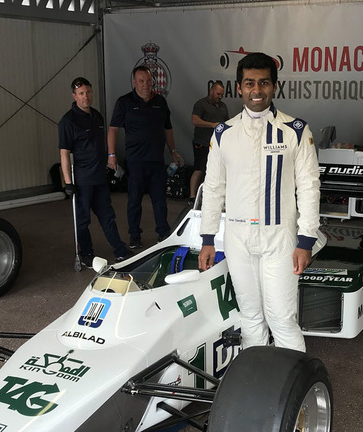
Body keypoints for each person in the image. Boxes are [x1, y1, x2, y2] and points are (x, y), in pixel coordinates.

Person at [198, 52, 320, 352]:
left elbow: (309, 187)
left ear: (274, 87)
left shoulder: (296, 131)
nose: (256, 90)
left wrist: (306, 240)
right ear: (238, 87)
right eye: (249, 83)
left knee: (281, 319)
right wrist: (207, 238)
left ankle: (294, 388)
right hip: (238, 238)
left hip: (280, 238)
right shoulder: (223, 133)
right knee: (250, 318)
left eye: (264, 83)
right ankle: (255, 386)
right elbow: (213, 188)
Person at [58, 77, 131, 266]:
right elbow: (64, 153)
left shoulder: (97, 116)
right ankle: (87, 254)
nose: (86, 97)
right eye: (81, 93)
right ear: (74, 96)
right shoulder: (68, 121)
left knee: (108, 216)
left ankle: (120, 250)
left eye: (88, 92)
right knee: (82, 221)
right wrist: (67, 183)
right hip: (82, 180)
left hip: (99, 178)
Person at [107, 66, 181, 249]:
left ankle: (163, 233)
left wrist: (173, 150)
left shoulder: (160, 102)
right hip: (135, 161)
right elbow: (113, 129)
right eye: (141, 81)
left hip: (156, 160)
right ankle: (134, 235)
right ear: (134, 82)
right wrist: (111, 154)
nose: (145, 85)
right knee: (134, 201)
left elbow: (168, 129)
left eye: (148, 81)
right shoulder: (124, 102)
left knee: (159, 200)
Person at [189, 81, 229, 204]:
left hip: (217, 144)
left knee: (216, 170)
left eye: (221, 94)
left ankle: (211, 197)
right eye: (218, 94)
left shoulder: (223, 106)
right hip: (202, 142)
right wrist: (212, 125)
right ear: (211, 91)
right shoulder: (201, 104)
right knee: (199, 169)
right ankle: (192, 196)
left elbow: (226, 123)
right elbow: (194, 121)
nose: (220, 96)